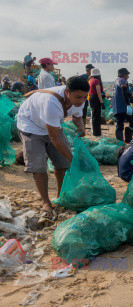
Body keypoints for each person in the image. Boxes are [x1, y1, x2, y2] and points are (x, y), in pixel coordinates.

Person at [16, 76, 88, 219]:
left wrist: (80, 126)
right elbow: (55, 138)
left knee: (62, 162)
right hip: (31, 125)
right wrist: (73, 159)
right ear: (67, 92)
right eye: (78, 97)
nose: (81, 101)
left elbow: (76, 116)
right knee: (39, 165)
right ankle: (46, 202)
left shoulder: (81, 101)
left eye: (84, 97)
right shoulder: (51, 102)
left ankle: (60, 196)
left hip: (52, 124)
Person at [112, 68, 133, 143]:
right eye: (127, 74)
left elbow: (127, 93)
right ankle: (128, 138)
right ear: (123, 75)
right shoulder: (123, 81)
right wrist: (128, 105)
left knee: (119, 125)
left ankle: (119, 142)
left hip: (116, 108)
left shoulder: (116, 82)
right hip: (123, 107)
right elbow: (124, 91)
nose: (128, 76)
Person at [88, 68, 105, 137]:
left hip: (91, 97)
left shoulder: (90, 80)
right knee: (97, 116)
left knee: (93, 115)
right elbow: (98, 92)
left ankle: (94, 131)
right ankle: (97, 133)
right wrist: (101, 102)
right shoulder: (96, 81)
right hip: (96, 98)